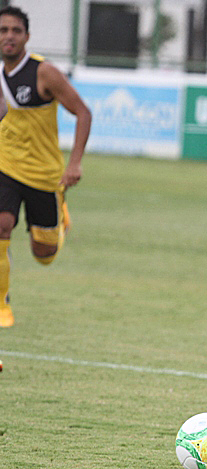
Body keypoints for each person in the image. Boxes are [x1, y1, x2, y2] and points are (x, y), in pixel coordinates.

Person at [0, 6, 92, 328]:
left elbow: (83, 113)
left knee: (44, 255)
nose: (8, 36)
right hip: (5, 167)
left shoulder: (44, 73)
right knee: (1, 225)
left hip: (43, 174)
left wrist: (75, 163)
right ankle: (1, 304)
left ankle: (59, 217)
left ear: (26, 36)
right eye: (3, 30)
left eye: (15, 30)